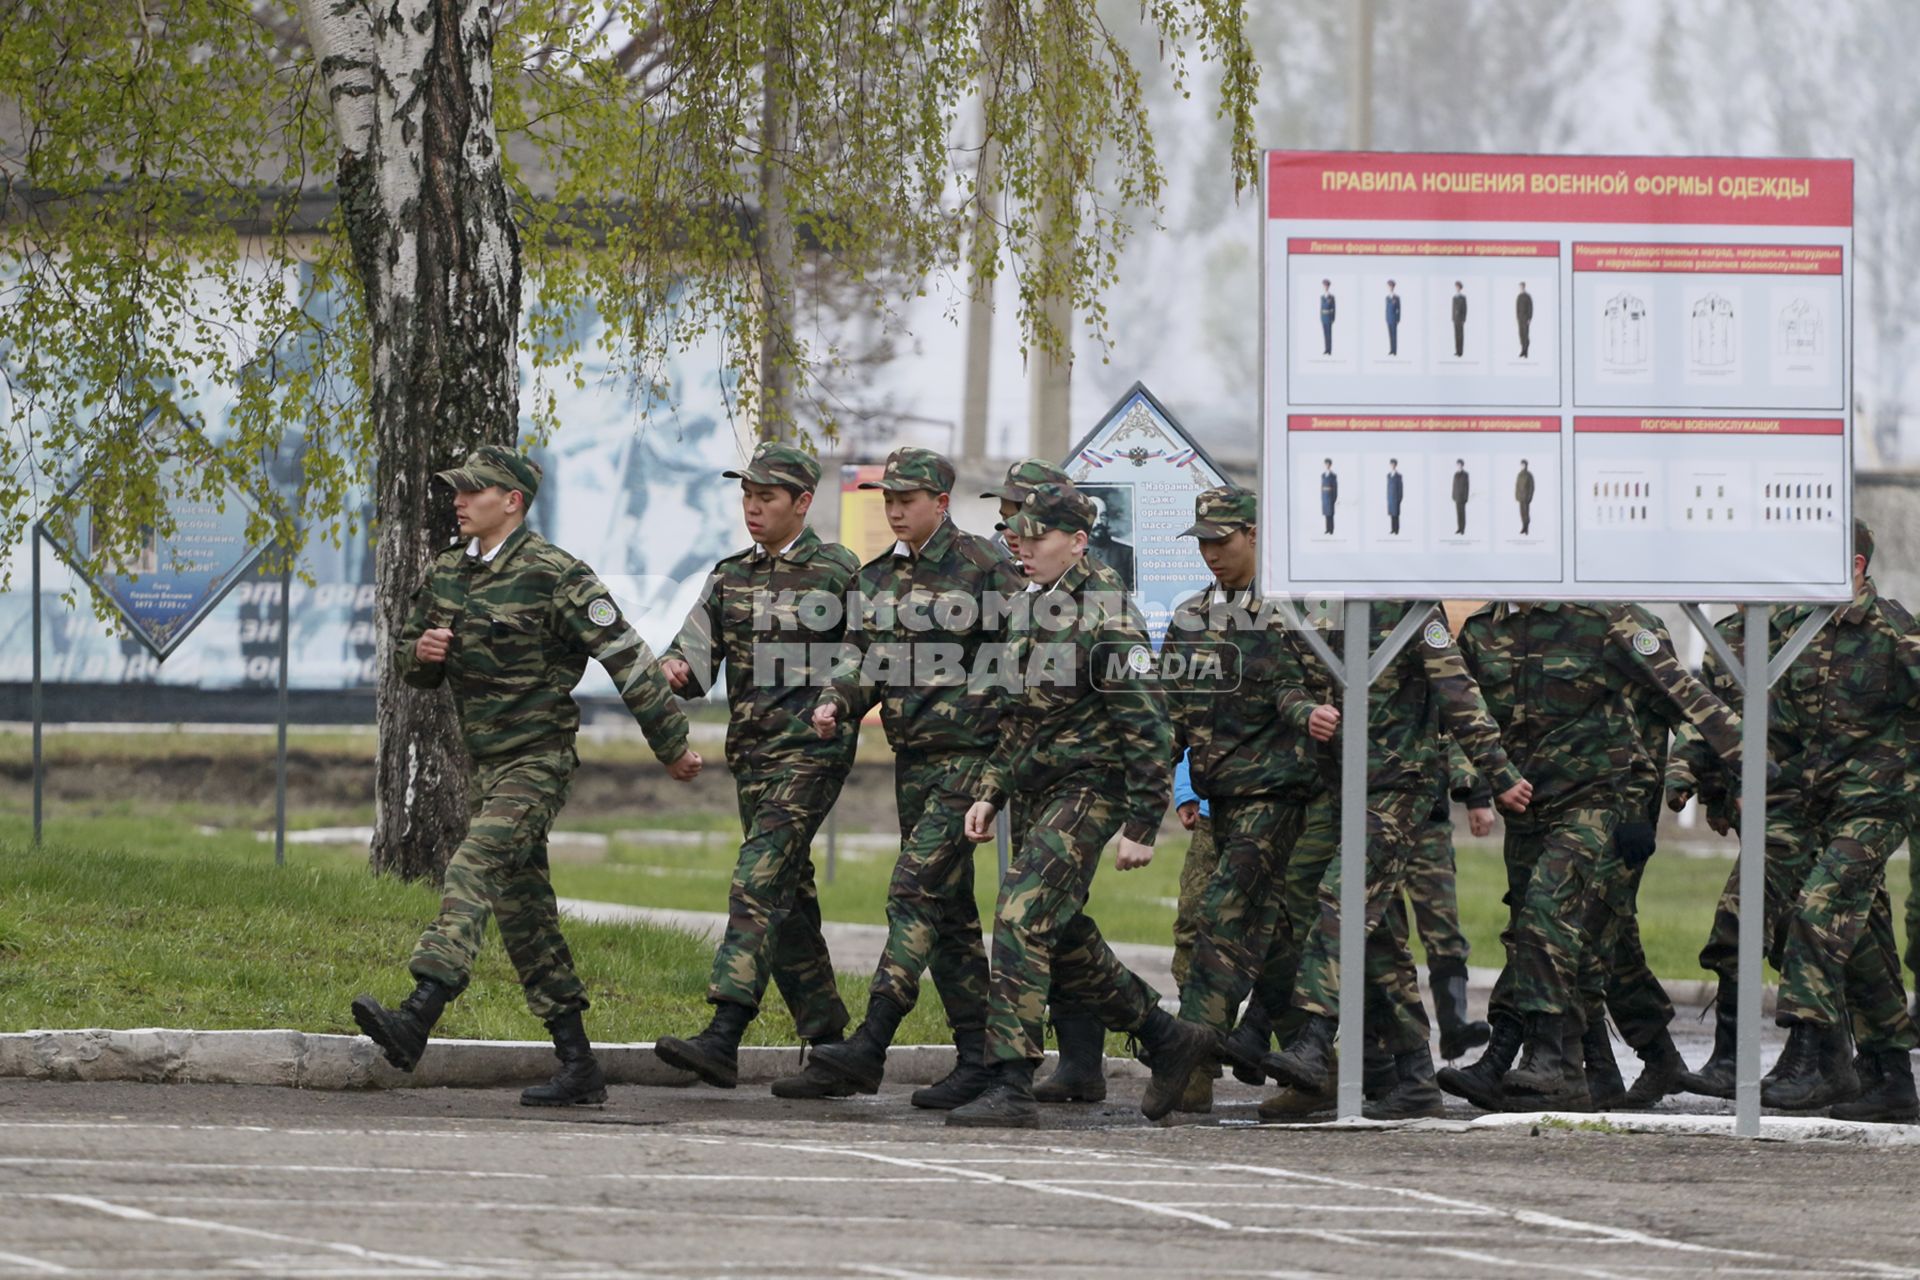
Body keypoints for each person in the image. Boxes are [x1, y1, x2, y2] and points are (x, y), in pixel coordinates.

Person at [353, 444, 702, 1106]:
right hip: (485, 764)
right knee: (525, 914)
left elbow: (626, 657)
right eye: (456, 490)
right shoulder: (449, 573)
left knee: (471, 868)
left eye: (472, 490)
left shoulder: (556, 575)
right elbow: (411, 660)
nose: (458, 500)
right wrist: (420, 652)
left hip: (537, 760)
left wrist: (671, 745)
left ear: (511, 501)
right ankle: (578, 1067)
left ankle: (418, 1015)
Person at [947, 482, 1214, 1126]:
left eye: (1039, 537)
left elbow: (1148, 727)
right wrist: (991, 790)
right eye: (1021, 534)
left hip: (1093, 788)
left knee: (1018, 914)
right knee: (1059, 931)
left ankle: (1010, 1080)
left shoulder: (1106, 616)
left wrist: (1140, 824)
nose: (1024, 545)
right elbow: (1018, 716)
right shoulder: (1031, 604)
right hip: (1040, 788)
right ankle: (1167, 1038)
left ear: (1078, 541)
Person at [781, 447, 1026, 1109]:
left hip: (969, 762)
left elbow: (1023, 656)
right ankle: (979, 1059)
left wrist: (998, 738)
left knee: (912, 892)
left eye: (907, 499)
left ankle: (872, 1042)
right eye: (889, 499)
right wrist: (838, 699)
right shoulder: (875, 578)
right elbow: (862, 657)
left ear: (940, 502)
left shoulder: (985, 567)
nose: (894, 510)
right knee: (946, 912)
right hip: (913, 760)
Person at [1442, 602, 1743, 1111]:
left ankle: (1539, 1059)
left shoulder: (1612, 621)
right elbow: (1461, 713)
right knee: (1579, 940)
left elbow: (1686, 707)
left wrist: (1718, 781)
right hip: (1531, 808)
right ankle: (1611, 1067)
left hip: (1607, 803)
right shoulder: (1482, 631)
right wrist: (1478, 781)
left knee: (1551, 923)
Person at [1668, 521, 1920, 1119]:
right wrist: (1706, 776)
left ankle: (1813, 1059)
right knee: (1858, 936)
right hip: (1813, 805)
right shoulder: (1789, 631)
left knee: (1817, 912)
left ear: (1855, 566)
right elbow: (1737, 710)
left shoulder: (1893, 631)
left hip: (1878, 800)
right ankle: (1889, 1075)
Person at [1264, 605, 1529, 1119]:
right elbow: (1285, 682)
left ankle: (1315, 1040)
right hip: (1345, 789)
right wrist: (1305, 712)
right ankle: (1415, 1078)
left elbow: (1459, 697)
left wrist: (1498, 776)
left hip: (1400, 789)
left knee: (1339, 900)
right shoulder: (1317, 610)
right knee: (1380, 942)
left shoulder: (1412, 612)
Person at [651, 442, 859, 1093]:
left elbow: (863, 649)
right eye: (747, 496)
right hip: (754, 759)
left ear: (802, 502)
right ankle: (831, 1046)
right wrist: (675, 669)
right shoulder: (730, 574)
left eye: (766, 497)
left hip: (813, 754)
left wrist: (838, 697)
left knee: (756, 880)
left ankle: (725, 1032)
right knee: (787, 898)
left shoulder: (838, 571)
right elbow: (693, 655)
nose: (752, 508)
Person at [1163, 487, 1322, 1116]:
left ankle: (1196, 1063)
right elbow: (1171, 712)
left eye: (1221, 540)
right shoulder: (1189, 617)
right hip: (1217, 801)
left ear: (1254, 534)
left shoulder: (1295, 611)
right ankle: (1307, 1073)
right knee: (1228, 928)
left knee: (1233, 924)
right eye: (1202, 541)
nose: (1210, 553)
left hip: (1286, 798)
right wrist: (1165, 784)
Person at [1386, 738, 1494, 1061]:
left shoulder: (1433, 687)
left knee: (1443, 927)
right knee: (1385, 937)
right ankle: (1390, 1042)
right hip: (1374, 819)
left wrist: (1476, 796)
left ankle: (1454, 1025)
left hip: (1427, 819)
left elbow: (1460, 729)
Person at [1515, 460, 1534, 536]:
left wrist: (1529, 497)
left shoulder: (1529, 475)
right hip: (1520, 497)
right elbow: (1517, 486)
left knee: (1526, 513)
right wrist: (1516, 495)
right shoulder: (1519, 475)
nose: (1522, 466)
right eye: (1521, 465)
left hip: (1526, 497)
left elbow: (1531, 487)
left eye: (1524, 465)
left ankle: (1526, 528)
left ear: (1526, 465)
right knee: (1522, 513)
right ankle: (1523, 527)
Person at [1452, 461, 1470, 536]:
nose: (1458, 466)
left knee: (1462, 514)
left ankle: (1463, 529)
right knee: (1458, 514)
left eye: (1460, 464)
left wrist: (1466, 498)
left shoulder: (1465, 474)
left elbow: (1467, 487)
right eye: (1457, 465)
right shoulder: (1455, 474)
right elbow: (1454, 485)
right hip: (1456, 497)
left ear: (1462, 465)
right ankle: (1459, 528)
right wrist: (1453, 495)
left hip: (1462, 498)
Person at [1386, 460, 1403, 536]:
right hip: (1390, 498)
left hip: (1396, 498)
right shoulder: (1388, 475)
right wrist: (1387, 497)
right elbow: (1388, 487)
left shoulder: (1398, 476)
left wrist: (1399, 499)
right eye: (1391, 464)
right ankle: (1392, 529)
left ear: (1396, 465)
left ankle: (1397, 530)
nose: (1392, 465)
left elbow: (1400, 488)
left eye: (1394, 464)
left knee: (1396, 515)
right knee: (1392, 515)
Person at [1321, 459, 1338, 536]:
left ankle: (1331, 530)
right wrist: (1322, 497)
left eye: (1328, 464)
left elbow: (1335, 487)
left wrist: (1334, 498)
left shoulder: (1333, 475)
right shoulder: (1323, 475)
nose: (1327, 465)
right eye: (1326, 464)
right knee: (1326, 514)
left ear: (1330, 465)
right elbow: (1322, 487)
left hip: (1330, 496)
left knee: (1331, 514)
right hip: (1324, 496)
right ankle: (1327, 529)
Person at [1516, 282, 1533, 358]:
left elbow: (1530, 308)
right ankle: (1522, 350)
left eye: (1522, 286)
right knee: (1521, 334)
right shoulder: (1519, 296)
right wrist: (1517, 317)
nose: (1521, 288)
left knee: (1526, 335)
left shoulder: (1528, 296)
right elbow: (1517, 308)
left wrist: (1529, 318)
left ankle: (1526, 351)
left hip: (1526, 318)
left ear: (1524, 286)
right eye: (1520, 287)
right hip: (1520, 319)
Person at [1451, 282, 1468, 357]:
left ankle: (1461, 352)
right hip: (1455, 319)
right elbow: (1453, 308)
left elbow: (1465, 309)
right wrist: (1452, 318)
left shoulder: (1463, 297)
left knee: (1460, 335)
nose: (1456, 288)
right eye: (1456, 287)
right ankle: (1457, 351)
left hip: (1460, 319)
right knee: (1456, 335)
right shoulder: (1454, 297)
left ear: (1460, 287)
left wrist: (1464, 319)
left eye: (1458, 287)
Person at [1384, 280, 1401, 356]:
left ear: (1393, 287)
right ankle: (1391, 349)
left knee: (1394, 335)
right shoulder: (1387, 297)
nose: (1390, 287)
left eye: (1391, 286)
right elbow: (1386, 309)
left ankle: (1395, 351)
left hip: (1394, 319)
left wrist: (1398, 319)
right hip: (1388, 319)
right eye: (1389, 286)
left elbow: (1399, 309)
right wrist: (1386, 318)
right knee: (1390, 335)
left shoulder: (1397, 297)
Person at [1320, 280, 1337, 355]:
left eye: (1327, 285)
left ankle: (1330, 350)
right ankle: (1326, 349)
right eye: (1324, 285)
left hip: (1329, 317)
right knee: (1325, 334)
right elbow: (1321, 308)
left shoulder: (1332, 297)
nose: (1325, 287)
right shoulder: (1322, 296)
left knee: (1329, 334)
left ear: (1329, 286)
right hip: (1323, 318)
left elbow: (1334, 308)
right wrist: (1321, 317)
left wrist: (1333, 318)